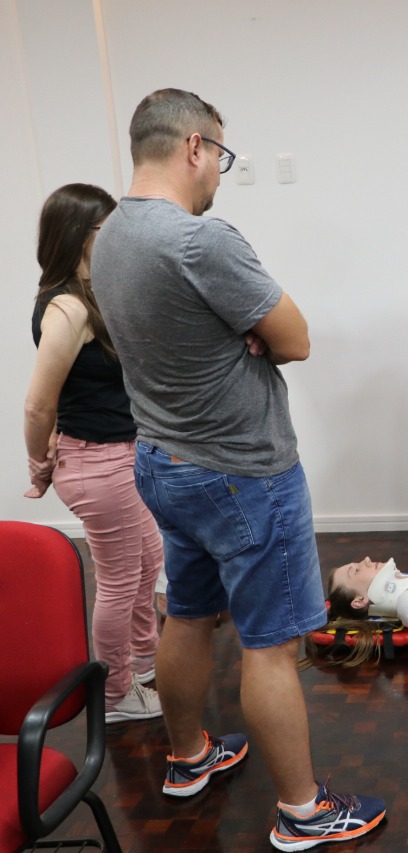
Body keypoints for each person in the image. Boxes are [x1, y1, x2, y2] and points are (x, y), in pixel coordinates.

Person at [91, 88, 385, 851]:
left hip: (162, 461)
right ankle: (303, 812)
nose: (219, 171)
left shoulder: (112, 234)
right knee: (269, 644)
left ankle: (187, 756)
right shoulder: (201, 241)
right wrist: (247, 336)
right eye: (219, 154)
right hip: (242, 472)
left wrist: (228, 337)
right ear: (193, 146)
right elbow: (296, 338)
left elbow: (146, 341)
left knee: (187, 611)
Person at [22, 183, 164, 723]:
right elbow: (39, 406)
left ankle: (144, 666)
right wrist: (39, 467)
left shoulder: (94, 293)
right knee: (119, 581)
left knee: (149, 562)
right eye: (106, 229)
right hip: (95, 464)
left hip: (119, 457)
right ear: (81, 236)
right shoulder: (65, 307)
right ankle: (115, 695)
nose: (115, 238)